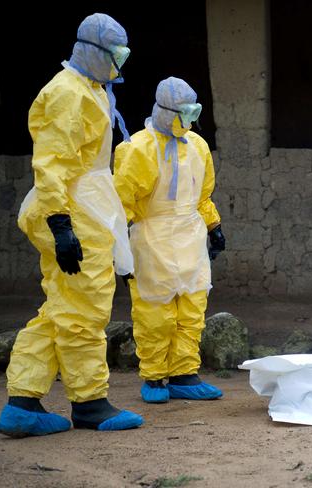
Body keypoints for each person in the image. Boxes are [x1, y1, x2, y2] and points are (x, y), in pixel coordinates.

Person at [0, 13, 144, 437]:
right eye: (116, 53)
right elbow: (53, 163)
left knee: (61, 309)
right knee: (85, 310)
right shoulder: (67, 93)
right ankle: (90, 402)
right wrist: (61, 224)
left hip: (85, 204)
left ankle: (22, 402)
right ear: (94, 50)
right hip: (73, 208)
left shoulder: (91, 89)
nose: (121, 62)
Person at [114, 77, 226, 404]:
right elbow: (123, 204)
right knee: (155, 312)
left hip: (190, 235)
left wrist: (213, 226)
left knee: (192, 307)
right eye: (185, 113)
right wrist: (118, 252)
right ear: (166, 111)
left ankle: (184, 374)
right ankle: (154, 376)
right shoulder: (137, 148)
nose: (190, 119)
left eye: (194, 112)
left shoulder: (198, 147)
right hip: (152, 237)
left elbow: (203, 196)